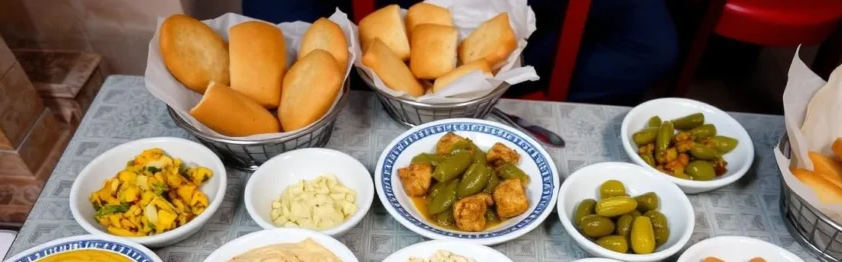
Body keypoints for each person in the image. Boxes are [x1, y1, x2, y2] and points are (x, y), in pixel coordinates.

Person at [242, 0, 679, 104]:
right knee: (274, 25)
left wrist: (515, 76)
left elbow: (649, 49)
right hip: (384, 32)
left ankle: (501, 89)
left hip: (527, 24)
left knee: (651, 46)